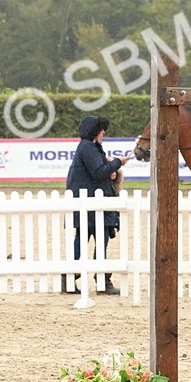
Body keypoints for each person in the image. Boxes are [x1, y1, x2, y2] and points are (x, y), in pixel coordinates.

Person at [64, 115, 130, 294]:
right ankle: (100, 281)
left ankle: (72, 278)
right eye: (100, 129)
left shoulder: (89, 147)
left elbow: (98, 172)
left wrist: (112, 173)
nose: (103, 132)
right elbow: (98, 172)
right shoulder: (88, 148)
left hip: (90, 204)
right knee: (99, 241)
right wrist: (118, 163)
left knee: (85, 240)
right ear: (93, 131)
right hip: (92, 205)